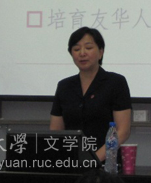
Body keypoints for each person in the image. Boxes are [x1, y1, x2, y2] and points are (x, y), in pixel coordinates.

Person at [50, 27, 132, 162]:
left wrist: (92, 160)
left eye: (88, 48)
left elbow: (122, 131)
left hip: (106, 164)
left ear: (101, 52)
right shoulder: (64, 86)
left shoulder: (115, 82)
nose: (82, 53)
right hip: (70, 162)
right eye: (76, 49)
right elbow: (56, 131)